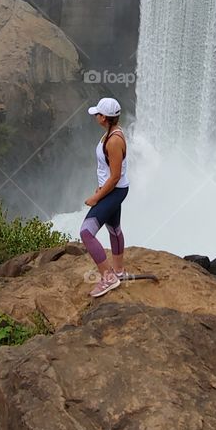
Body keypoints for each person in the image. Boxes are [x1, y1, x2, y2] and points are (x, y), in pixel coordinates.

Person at [80, 96, 129, 297]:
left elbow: (115, 176)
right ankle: (119, 270)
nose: (95, 117)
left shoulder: (114, 141)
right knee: (114, 228)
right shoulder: (110, 133)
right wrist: (99, 188)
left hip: (114, 191)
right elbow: (107, 170)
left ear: (104, 118)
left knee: (86, 232)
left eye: (97, 114)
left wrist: (97, 197)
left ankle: (109, 278)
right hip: (111, 189)